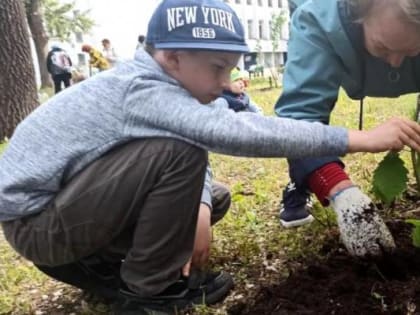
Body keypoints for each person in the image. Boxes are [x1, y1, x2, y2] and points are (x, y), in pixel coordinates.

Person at [1, 0, 420, 314]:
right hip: (38, 224)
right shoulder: (143, 90)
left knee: (211, 197)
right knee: (179, 154)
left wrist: (198, 206)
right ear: (173, 56)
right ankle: (149, 293)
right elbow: (232, 132)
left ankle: (98, 267)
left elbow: (198, 128)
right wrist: (359, 138)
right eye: (218, 68)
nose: (225, 83)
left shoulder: (165, 84)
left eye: (231, 69)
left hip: (62, 213)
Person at [276, 0, 420, 256]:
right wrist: (342, 194)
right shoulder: (318, 21)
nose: (396, 62)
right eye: (382, 46)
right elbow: (298, 120)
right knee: (304, 147)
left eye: (412, 50)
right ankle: (302, 184)